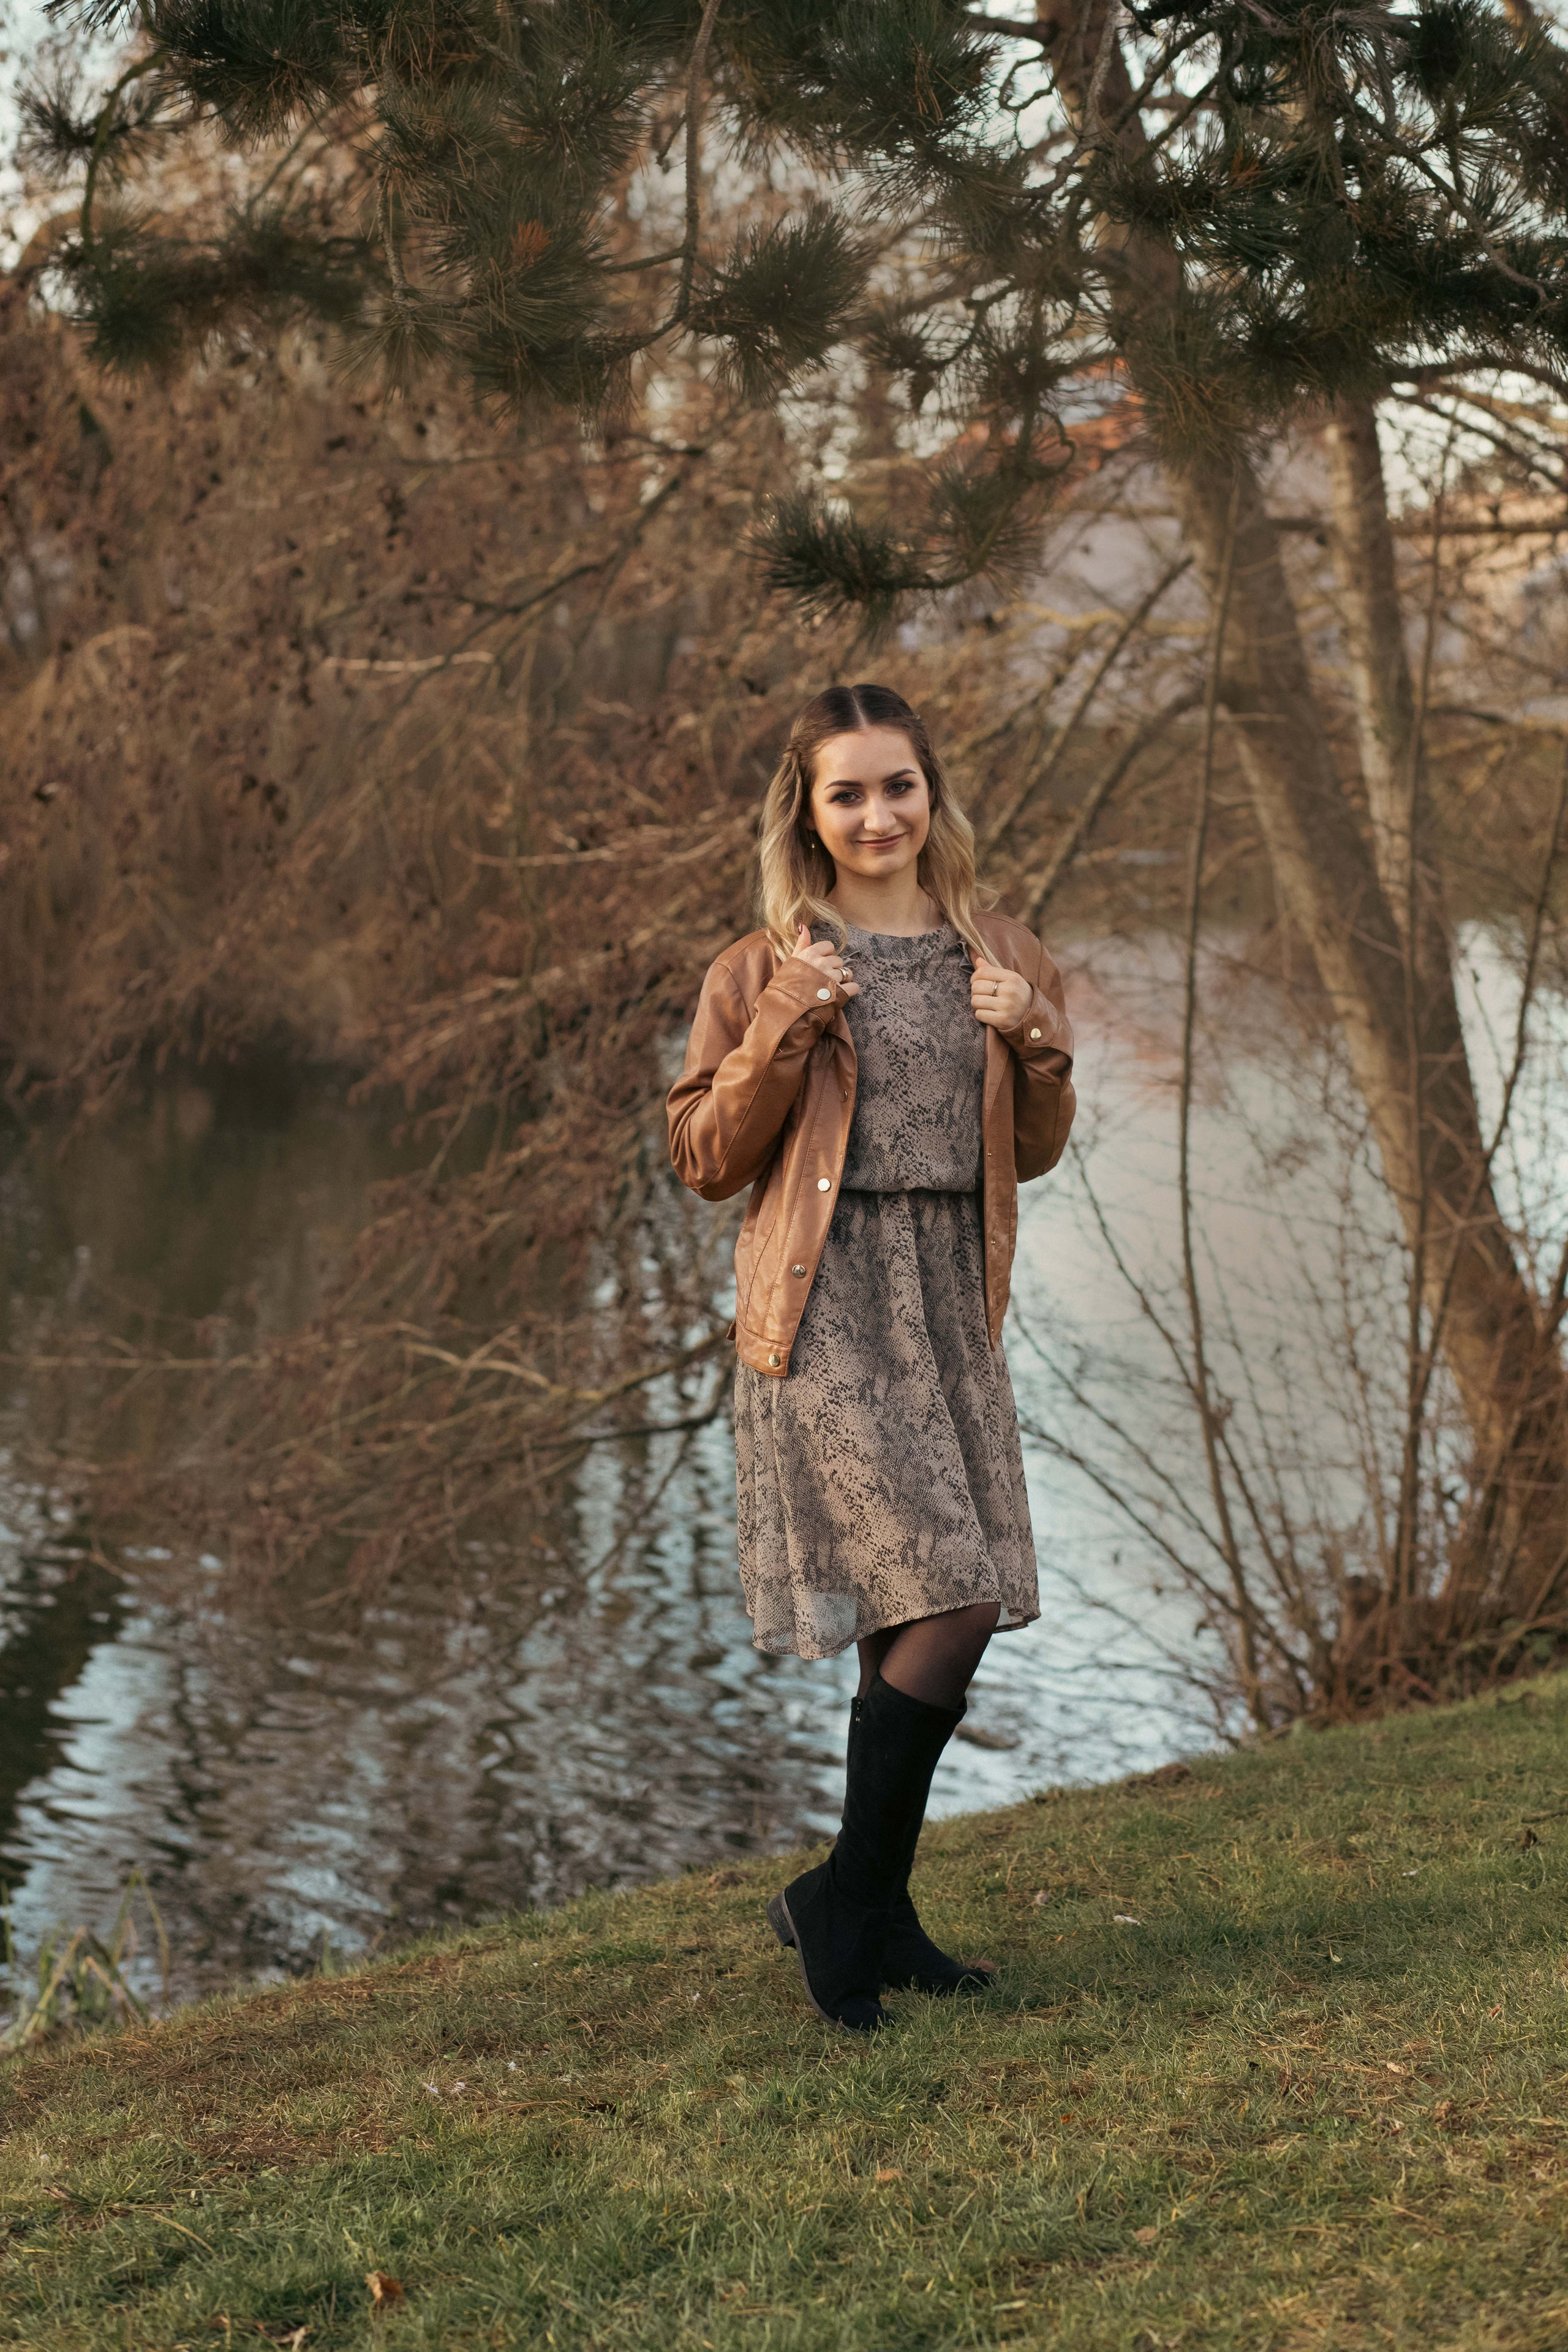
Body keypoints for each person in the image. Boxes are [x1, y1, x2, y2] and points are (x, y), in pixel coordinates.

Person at [667, 682, 1076, 2034]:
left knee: (915, 1609)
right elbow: (705, 1161)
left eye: (896, 785)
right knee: (951, 1598)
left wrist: (1033, 1041)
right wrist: (785, 1014)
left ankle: (868, 1911)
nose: (877, 814)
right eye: (846, 793)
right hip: (824, 1303)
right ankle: (848, 1904)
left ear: (930, 793)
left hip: (950, 1300)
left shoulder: (997, 946)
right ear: (810, 811)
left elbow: (1031, 1146)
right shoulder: (756, 963)